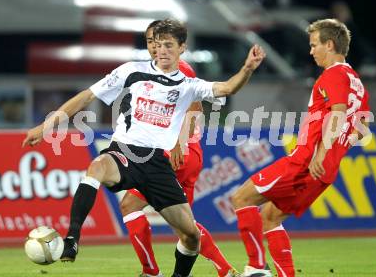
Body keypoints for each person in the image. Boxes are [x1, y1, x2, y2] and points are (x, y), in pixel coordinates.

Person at [22, 18, 266, 277]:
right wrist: (46, 126)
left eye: (168, 45)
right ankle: (73, 237)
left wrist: (247, 68)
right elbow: (87, 96)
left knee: (190, 235)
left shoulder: (188, 85)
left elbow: (227, 88)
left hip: (157, 165)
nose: (161, 51)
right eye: (156, 45)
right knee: (97, 167)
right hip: (125, 151)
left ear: (182, 48)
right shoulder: (131, 70)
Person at [231, 19, 370, 277]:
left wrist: (322, 151)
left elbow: (338, 113)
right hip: (325, 169)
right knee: (270, 217)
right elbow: (362, 128)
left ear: (330, 45)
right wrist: (335, 152)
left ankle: (256, 269)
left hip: (306, 161)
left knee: (241, 199)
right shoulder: (356, 81)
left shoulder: (334, 74)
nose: (311, 51)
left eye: (314, 44)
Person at [119, 20, 240, 277]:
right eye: (150, 41)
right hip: (186, 152)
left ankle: (150, 272)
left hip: (176, 153)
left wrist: (178, 144)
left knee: (130, 205)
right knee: (185, 228)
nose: (154, 46)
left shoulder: (178, 69)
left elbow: (195, 111)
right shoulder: (158, 70)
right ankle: (225, 269)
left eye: (159, 41)